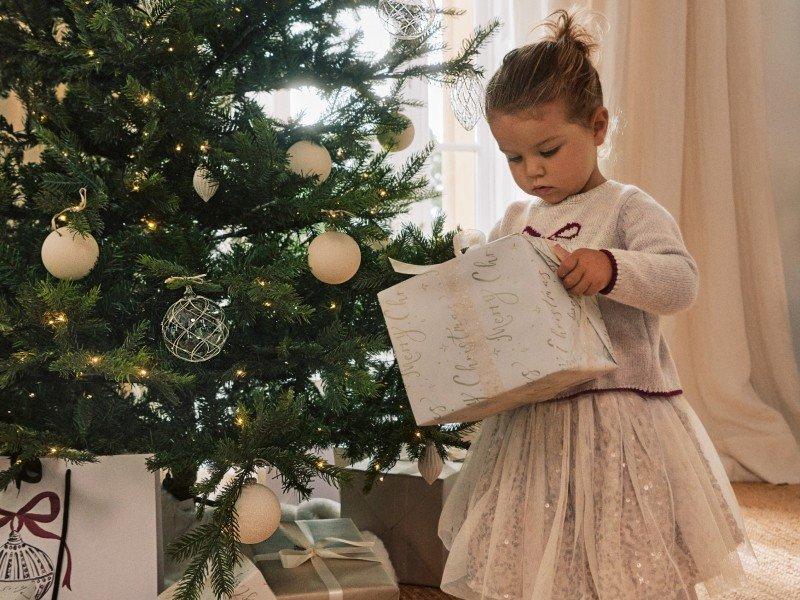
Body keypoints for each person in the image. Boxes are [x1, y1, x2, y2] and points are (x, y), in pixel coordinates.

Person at [437, 8, 758, 599]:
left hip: (619, 411)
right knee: (539, 540)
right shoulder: (516, 221)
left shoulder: (628, 207)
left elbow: (680, 281)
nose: (532, 173)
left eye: (548, 150)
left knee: (626, 542)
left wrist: (610, 268)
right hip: (533, 419)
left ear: (599, 126)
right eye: (513, 158)